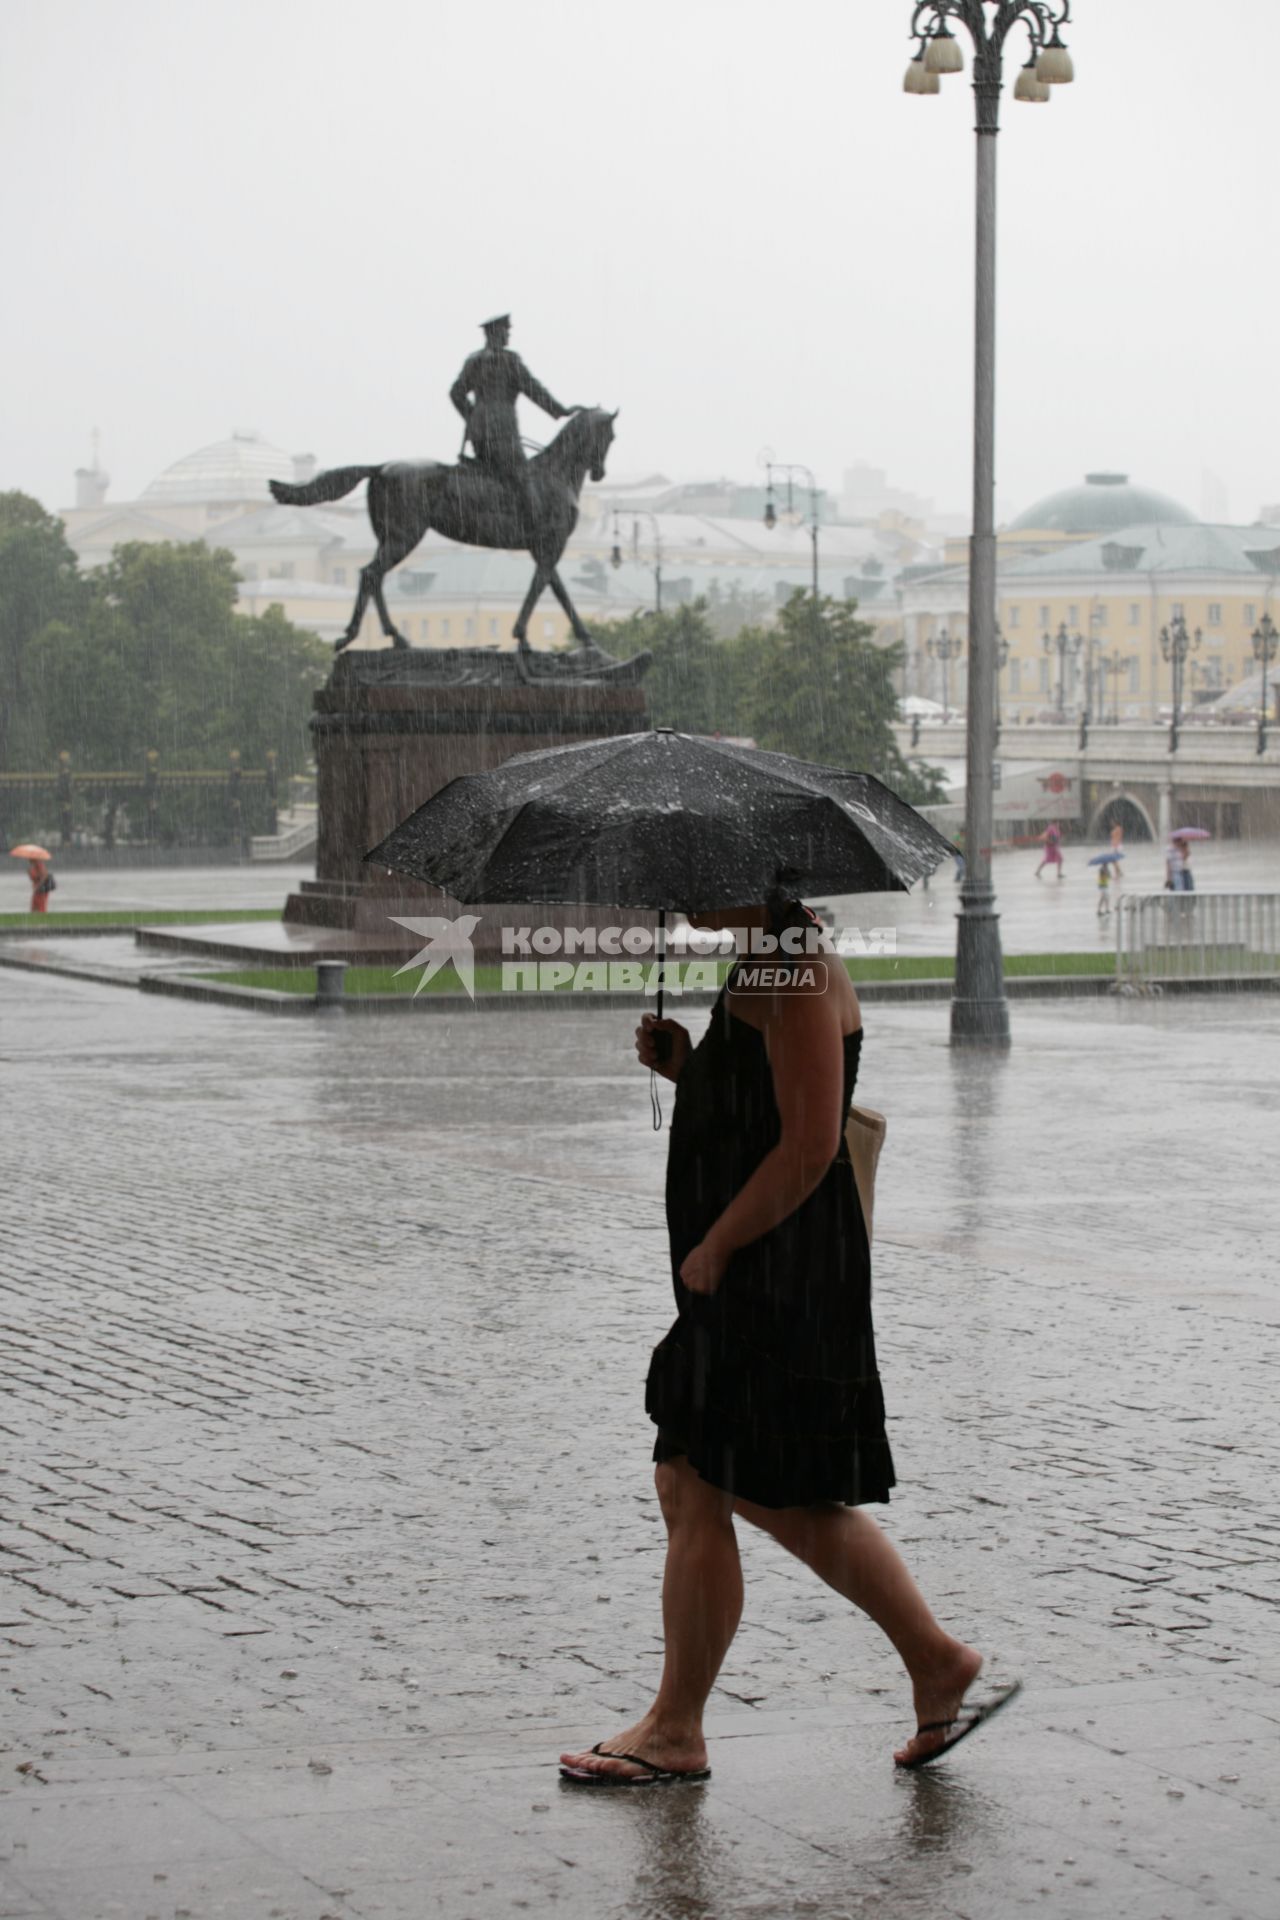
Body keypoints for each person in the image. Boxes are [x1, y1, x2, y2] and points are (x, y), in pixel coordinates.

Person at [559, 894, 1011, 1787]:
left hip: (778, 1270)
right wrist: (693, 1067)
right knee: (718, 1483)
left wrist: (718, 1245)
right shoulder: (766, 958)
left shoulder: (798, 969)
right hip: (757, 1268)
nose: (681, 893)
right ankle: (927, 1661)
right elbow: (765, 1108)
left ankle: (682, 1728)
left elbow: (808, 1145)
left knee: (724, 1482)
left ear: (756, 872)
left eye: (700, 874)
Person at [448, 315, 581, 527]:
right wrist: (560, 410)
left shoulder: (474, 360)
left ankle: (493, 516)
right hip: (502, 432)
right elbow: (533, 389)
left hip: (479, 435)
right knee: (523, 474)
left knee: (492, 475)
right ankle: (533, 526)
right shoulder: (509, 361)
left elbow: (456, 393)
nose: (508, 335)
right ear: (497, 333)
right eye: (506, 331)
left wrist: (473, 417)